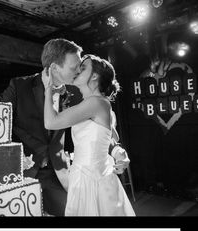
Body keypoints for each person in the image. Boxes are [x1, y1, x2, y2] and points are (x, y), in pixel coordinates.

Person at [0, 38, 130, 216]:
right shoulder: (19, 86)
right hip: (24, 173)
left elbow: (99, 130)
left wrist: (116, 151)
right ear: (54, 68)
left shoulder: (79, 92)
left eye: (81, 67)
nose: (78, 71)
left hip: (60, 174)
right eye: (74, 67)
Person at [43, 54, 136, 216]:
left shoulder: (96, 103)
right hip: (84, 177)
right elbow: (109, 139)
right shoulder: (99, 104)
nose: (78, 70)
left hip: (91, 182)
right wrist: (120, 153)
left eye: (83, 67)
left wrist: (48, 89)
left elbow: (51, 122)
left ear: (94, 75)